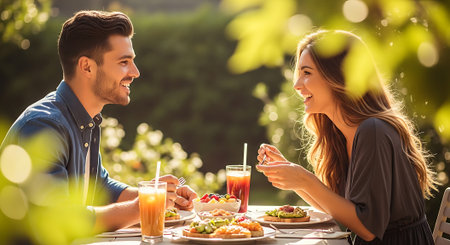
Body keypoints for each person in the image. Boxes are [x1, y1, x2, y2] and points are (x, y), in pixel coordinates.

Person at [0, 10, 197, 231]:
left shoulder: (85, 120)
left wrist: (154, 193)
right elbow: (61, 219)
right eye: (124, 62)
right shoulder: (43, 127)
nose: (135, 72)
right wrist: (140, 206)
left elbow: (99, 188)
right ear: (87, 67)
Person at [256, 30, 438, 244]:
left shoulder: (373, 131)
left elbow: (368, 228)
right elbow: (341, 210)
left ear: (339, 76)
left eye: (307, 72)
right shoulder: (344, 135)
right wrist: (295, 180)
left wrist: (305, 179)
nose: (297, 85)